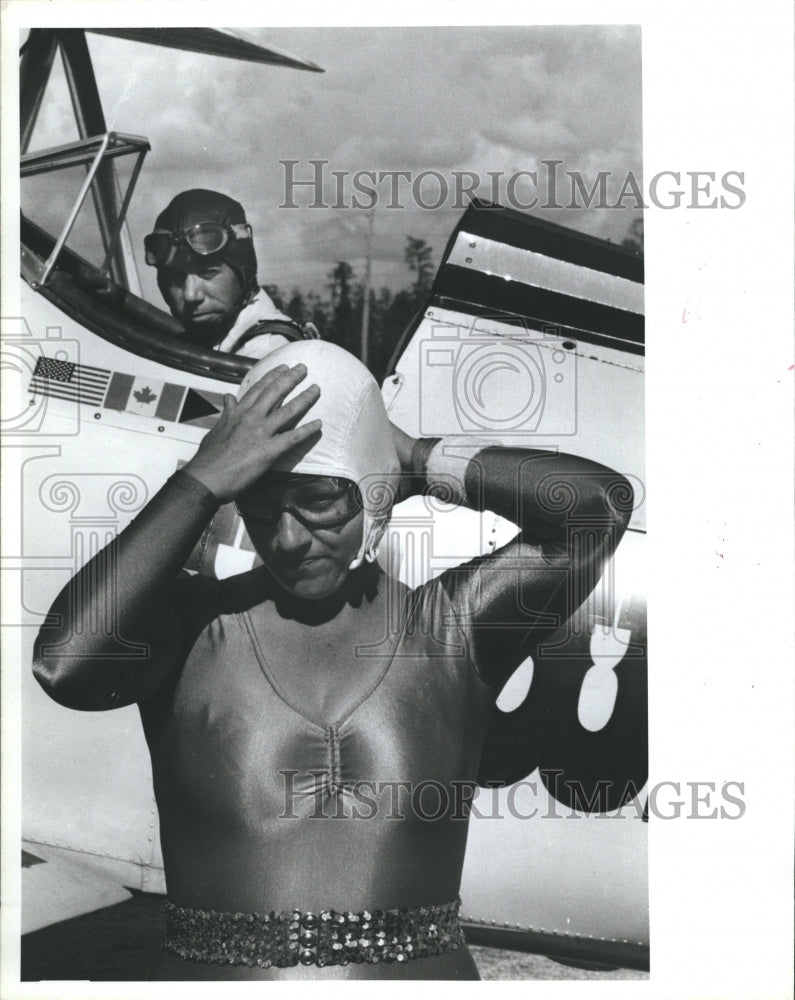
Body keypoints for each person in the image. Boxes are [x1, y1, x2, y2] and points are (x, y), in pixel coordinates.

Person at [32, 341, 633, 981]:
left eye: (320, 499)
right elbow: (66, 665)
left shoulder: (454, 629)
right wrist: (200, 481)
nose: (288, 538)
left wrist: (415, 457)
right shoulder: (192, 626)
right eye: (260, 504)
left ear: (375, 491)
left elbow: (596, 508)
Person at [144, 189, 318, 358]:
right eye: (176, 279)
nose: (191, 295)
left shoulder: (266, 352)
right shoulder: (217, 340)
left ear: (244, 273)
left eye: (207, 273)